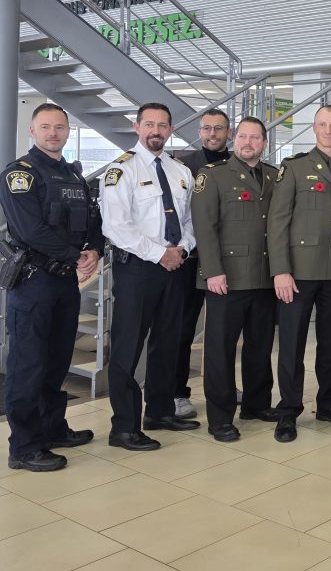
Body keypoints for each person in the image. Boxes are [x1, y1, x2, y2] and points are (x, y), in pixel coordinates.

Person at [1, 103, 102, 471]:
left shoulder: (74, 177)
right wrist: (77, 255)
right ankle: (24, 447)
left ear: (68, 131)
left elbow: (94, 220)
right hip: (34, 283)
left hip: (65, 283)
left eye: (59, 127)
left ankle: (52, 428)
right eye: (45, 127)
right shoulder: (20, 174)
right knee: (28, 364)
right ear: (32, 131)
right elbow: (30, 231)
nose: (53, 133)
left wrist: (94, 250)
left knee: (58, 360)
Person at [101, 103, 200, 451]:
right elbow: (116, 226)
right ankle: (124, 427)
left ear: (170, 129)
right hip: (138, 270)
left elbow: (190, 221)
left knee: (168, 342)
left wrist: (183, 250)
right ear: (137, 127)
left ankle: (159, 412)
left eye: (162, 125)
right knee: (128, 347)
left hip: (175, 267)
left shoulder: (180, 171)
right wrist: (161, 253)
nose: (155, 130)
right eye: (149, 124)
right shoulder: (121, 170)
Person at [268, 104, 331, 442]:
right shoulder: (294, 168)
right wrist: (280, 270)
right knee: (291, 344)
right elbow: (277, 222)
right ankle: (289, 409)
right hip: (299, 272)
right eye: (323, 125)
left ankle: (328, 403)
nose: (329, 131)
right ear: (314, 128)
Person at [191, 117, 279, 442]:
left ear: (264, 143)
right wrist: (212, 270)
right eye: (243, 136)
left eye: (255, 138)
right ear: (234, 138)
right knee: (220, 350)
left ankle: (257, 404)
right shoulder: (212, 176)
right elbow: (204, 226)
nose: (248, 142)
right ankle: (220, 416)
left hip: (264, 277)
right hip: (226, 278)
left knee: (260, 346)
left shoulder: (273, 175)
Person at [173, 109, 232, 419]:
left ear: (229, 132)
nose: (212, 134)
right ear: (199, 130)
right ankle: (177, 392)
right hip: (191, 260)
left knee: (224, 331)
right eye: (207, 128)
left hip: (230, 261)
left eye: (219, 128)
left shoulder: (238, 165)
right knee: (183, 329)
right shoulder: (184, 167)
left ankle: (222, 387)